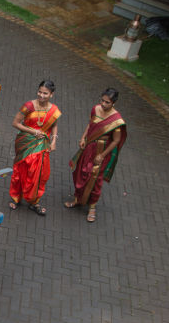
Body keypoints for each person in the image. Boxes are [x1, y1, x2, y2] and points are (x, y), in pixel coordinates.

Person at [64, 88, 127, 223]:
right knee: (80, 172)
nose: (103, 104)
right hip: (88, 147)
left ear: (113, 103)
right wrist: (83, 138)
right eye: (102, 101)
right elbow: (90, 124)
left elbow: (116, 140)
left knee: (95, 178)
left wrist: (103, 155)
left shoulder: (116, 120)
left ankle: (92, 207)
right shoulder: (95, 109)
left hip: (101, 150)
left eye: (107, 102)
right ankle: (78, 199)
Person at [8, 80, 61, 215]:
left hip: (43, 145)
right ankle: (16, 197)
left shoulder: (54, 110)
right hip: (25, 142)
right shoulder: (28, 106)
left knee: (39, 174)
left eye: (45, 93)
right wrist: (33, 132)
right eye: (40, 92)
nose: (41, 95)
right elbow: (15, 123)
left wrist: (54, 141)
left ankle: (34, 201)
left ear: (52, 94)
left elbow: (54, 125)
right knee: (21, 170)